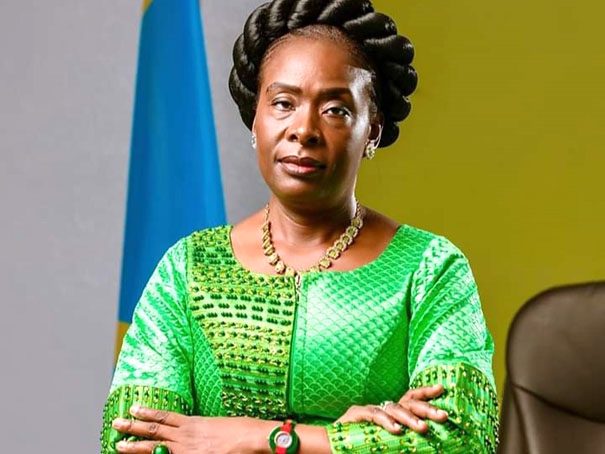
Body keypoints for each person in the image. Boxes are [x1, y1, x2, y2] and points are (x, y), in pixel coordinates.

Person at [100, 1, 499, 453]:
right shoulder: (189, 268)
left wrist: (265, 438)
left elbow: (462, 437)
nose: (303, 129)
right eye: (283, 103)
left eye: (335, 109)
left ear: (372, 130)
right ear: (255, 117)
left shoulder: (429, 270)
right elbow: (128, 441)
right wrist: (348, 440)